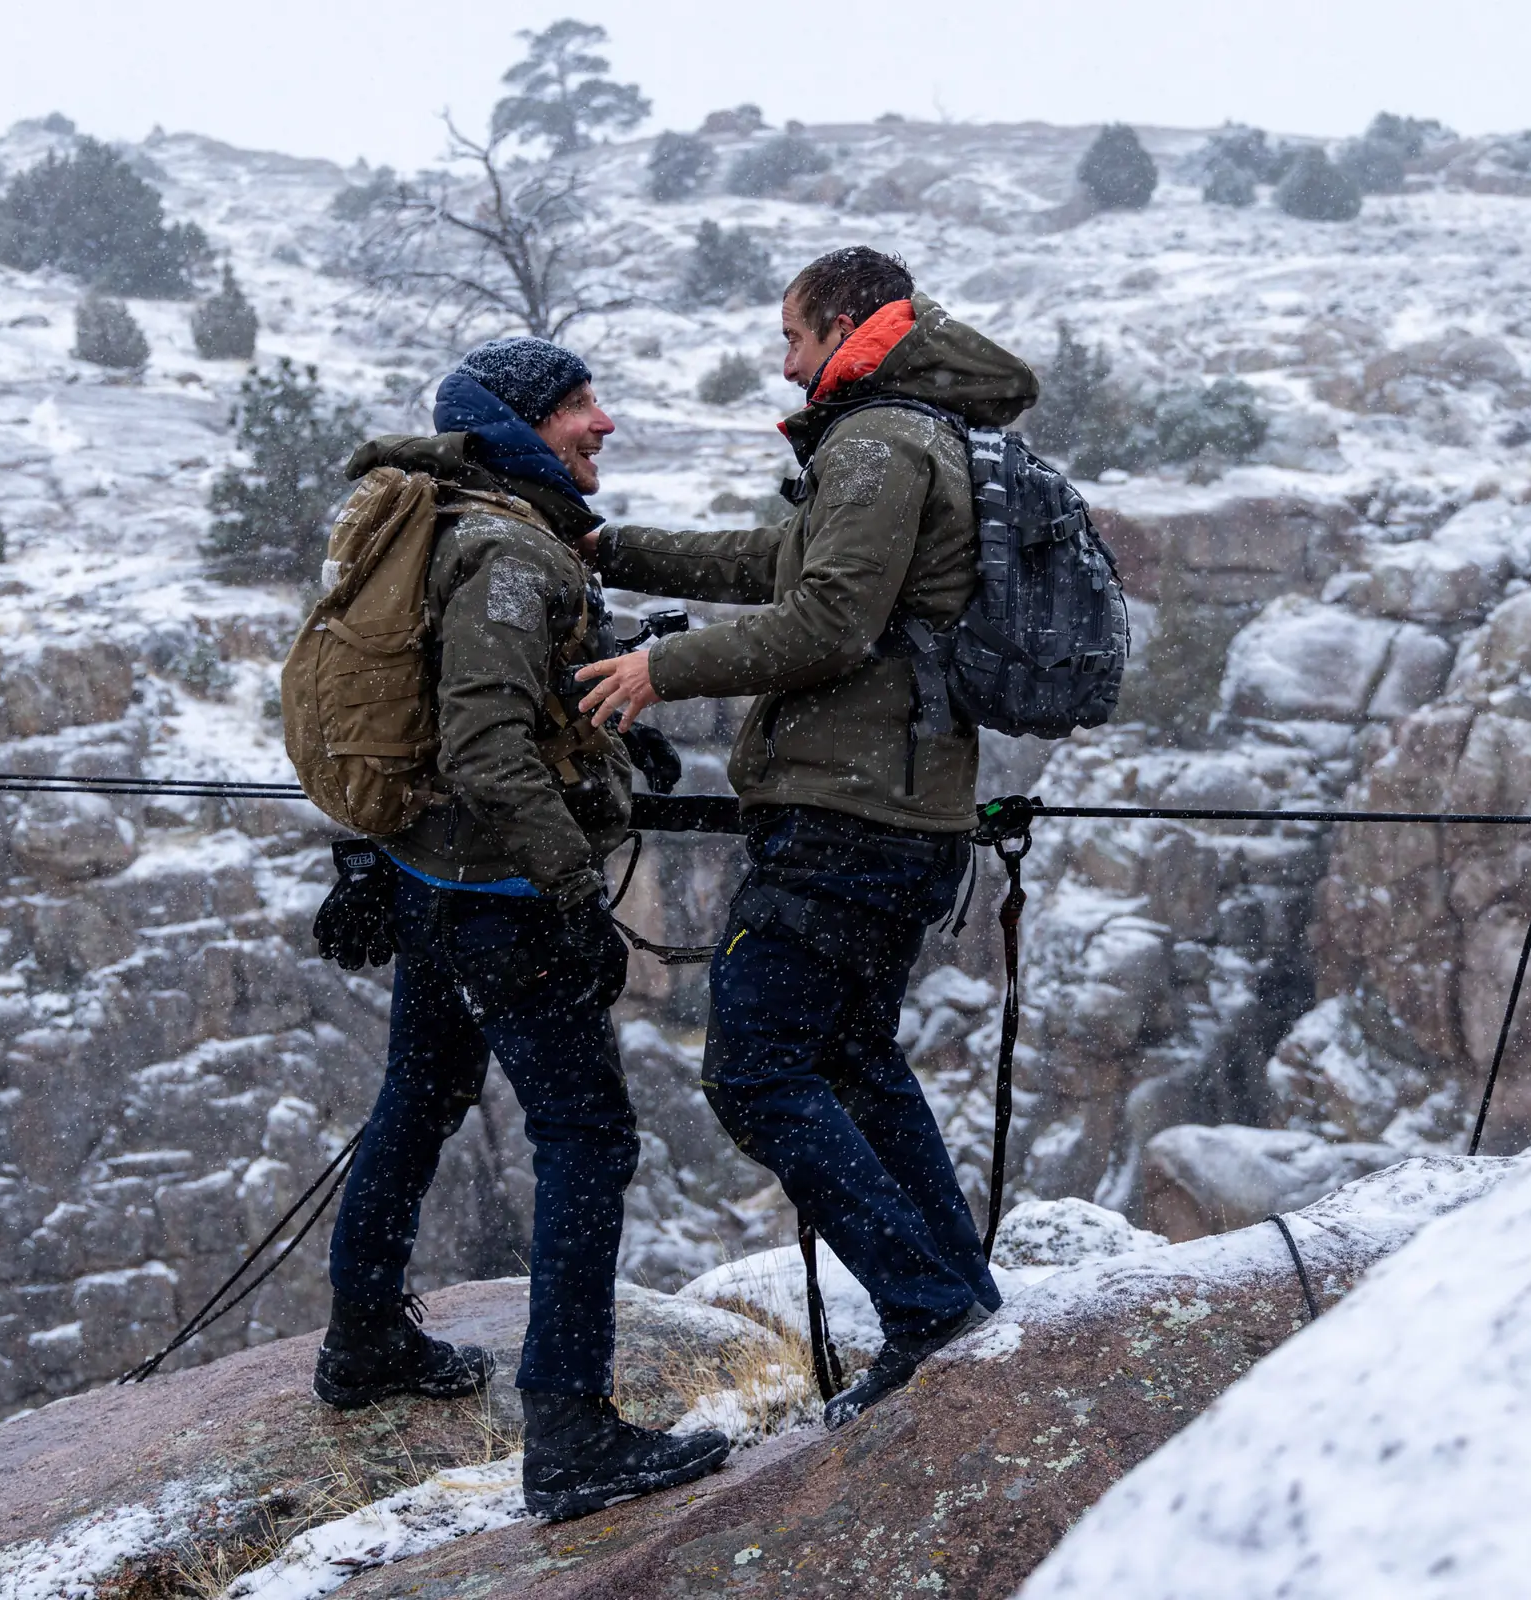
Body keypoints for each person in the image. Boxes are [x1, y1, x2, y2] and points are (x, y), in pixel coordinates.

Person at [576, 249, 1039, 1428]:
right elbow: (768, 565)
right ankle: (960, 1298)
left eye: (790, 337)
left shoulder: (881, 441)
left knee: (755, 1072)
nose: (782, 362)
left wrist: (659, 668)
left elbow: (830, 621)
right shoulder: (899, 434)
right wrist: (614, 548)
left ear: (843, 323)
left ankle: (929, 1304)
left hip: (851, 819)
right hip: (890, 815)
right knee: (855, 1063)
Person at [310, 336, 729, 1521]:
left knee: (418, 1097)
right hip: (499, 900)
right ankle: (573, 1431)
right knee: (589, 1139)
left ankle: (365, 1341)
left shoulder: (452, 521)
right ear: (514, 428)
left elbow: (461, 702)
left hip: (428, 880)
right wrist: (567, 890)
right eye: (578, 406)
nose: (605, 422)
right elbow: (486, 744)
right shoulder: (504, 548)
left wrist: (604, 720)